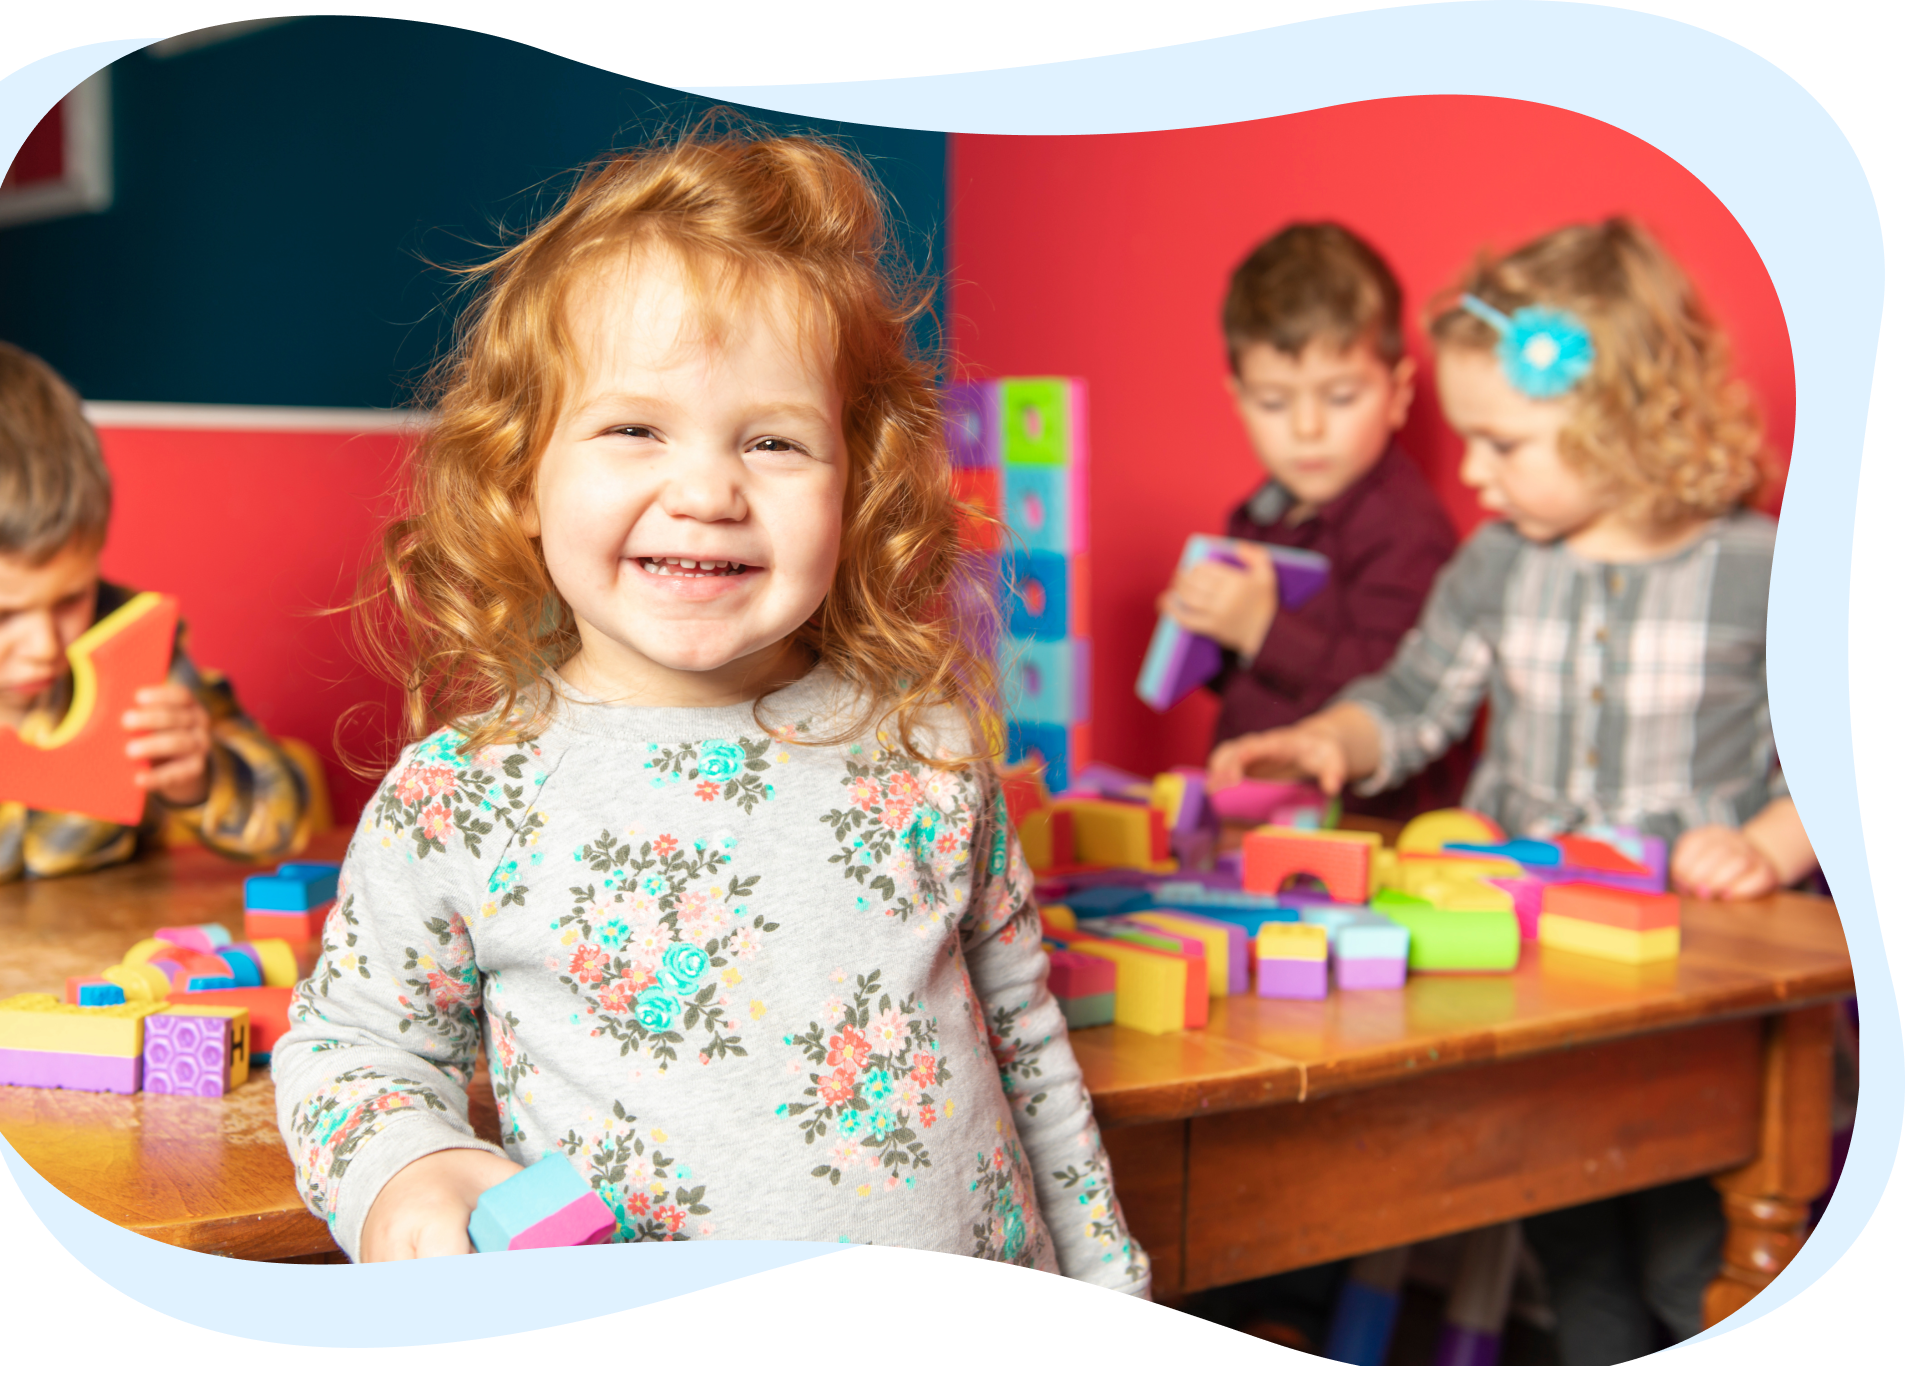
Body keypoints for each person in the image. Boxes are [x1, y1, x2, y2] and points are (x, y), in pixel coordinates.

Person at [271, 119, 1151, 1292]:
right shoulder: (459, 803)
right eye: (634, 428)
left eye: (776, 441)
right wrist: (406, 1171)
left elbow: (1028, 1052)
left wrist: (1107, 1271)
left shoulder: (926, 748)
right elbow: (352, 1050)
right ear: (523, 475)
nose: (705, 491)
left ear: (856, 486)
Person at [1213, 218, 1814, 1361]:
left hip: (1703, 994)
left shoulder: (1759, 567)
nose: (1471, 470)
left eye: (1503, 442)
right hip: (1537, 982)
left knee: (1695, 1252)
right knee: (1571, 1245)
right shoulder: (1494, 563)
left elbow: (1834, 763)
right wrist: (1324, 742)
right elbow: (1410, 696)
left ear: (1622, 417)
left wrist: (1774, 847)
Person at [0, 336, 314, 886]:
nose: (45, 644)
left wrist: (201, 775)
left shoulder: (136, 655)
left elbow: (283, 819)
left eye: (70, 597)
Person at [1158, 222, 1470, 820]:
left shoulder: (1406, 528)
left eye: (1340, 397)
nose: (1306, 428)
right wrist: (1205, 630)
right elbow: (1251, 686)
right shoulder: (1257, 514)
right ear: (1240, 399)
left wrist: (1259, 628)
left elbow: (1403, 692)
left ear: (1398, 391)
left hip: (1368, 829)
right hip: (1253, 814)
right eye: (1275, 402)